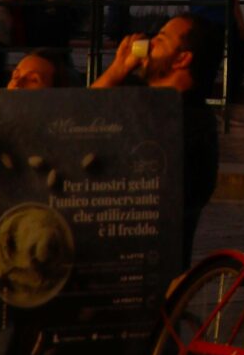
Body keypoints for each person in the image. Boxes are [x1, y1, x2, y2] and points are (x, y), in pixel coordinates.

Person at [94, 14, 220, 265]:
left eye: (160, 40)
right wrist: (117, 69)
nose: (149, 45)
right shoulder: (137, 94)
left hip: (146, 265)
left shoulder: (189, 120)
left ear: (182, 59)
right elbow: (78, 121)